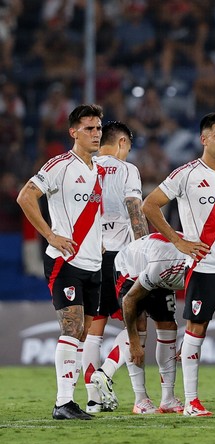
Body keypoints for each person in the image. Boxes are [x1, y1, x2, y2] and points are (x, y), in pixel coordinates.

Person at [142, 112, 215, 417]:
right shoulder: (186, 174)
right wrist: (178, 241)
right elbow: (150, 205)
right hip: (203, 268)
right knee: (196, 331)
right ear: (203, 139)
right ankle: (191, 401)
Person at [16, 104, 105, 420]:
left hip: (94, 264)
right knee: (72, 327)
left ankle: (69, 401)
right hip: (65, 261)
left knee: (81, 333)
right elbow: (25, 196)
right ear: (73, 132)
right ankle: (62, 402)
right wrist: (51, 236)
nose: (96, 133)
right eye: (89, 128)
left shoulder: (99, 171)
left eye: (98, 128)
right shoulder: (59, 166)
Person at [82, 121, 148, 414]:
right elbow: (135, 210)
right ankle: (106, 372)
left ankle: (94, 399)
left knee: (93, 329)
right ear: (122, 142)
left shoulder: (84, 166)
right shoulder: (126, 170)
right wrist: (145, 251)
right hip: (120, 258)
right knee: (138, 324)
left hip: (89, 256)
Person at [92, 232, 187, 415]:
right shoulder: (162, 265)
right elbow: (129, 301)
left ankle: (168, 399)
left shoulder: (201, 270)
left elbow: (197, 306)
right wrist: (134, 343)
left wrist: (188, 342)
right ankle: (140, 399)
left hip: (162, 266)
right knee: (139, 325)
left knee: (169, 326)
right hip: (131, 267)